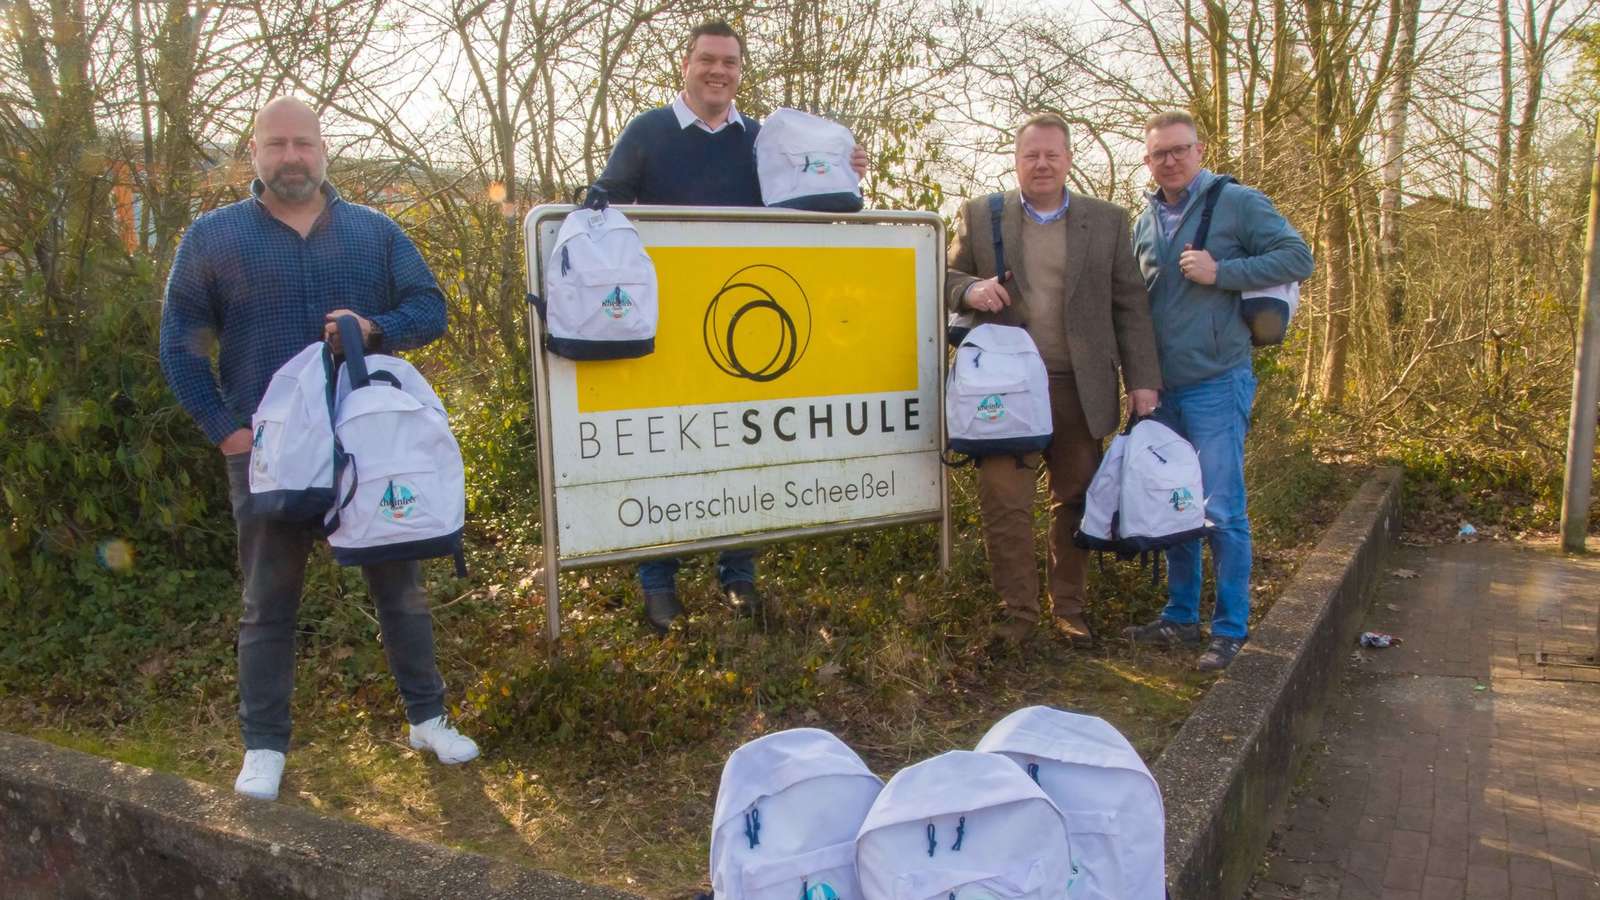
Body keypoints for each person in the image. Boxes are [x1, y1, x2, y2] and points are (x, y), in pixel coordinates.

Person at [159, 97, 478, 802]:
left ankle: (427, 719)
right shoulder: (214, 237)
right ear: (253, 153)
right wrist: (225, 431)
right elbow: (179, 344)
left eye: (303, 143)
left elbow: (430, 309)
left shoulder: (374, 232)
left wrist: (376, 326)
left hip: (371, 449)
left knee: (401, 593)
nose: (291, 157)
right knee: (267, 603)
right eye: (276, 145)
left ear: (323, 150)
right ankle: (264, 746)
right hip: (269, 456)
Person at [593, 19, 868, 634]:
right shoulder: (647, 131)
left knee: (745, 445)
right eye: (708, 60)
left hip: (748, 319)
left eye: (730, 63)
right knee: (665, 448)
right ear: (686, 65)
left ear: (741, 72)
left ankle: (738, 577)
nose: (718, 71)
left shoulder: (762, 139)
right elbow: (601, 205)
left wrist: (843, 170)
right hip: (668, 325)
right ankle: (658, 582)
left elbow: (806, 204)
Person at [946, 112, 1162, 649]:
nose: (1041, 164)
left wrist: (1143, 380)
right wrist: (969, 289)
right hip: (1002, 390)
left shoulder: (1107, 220)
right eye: (1031, 155)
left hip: (1078, 387)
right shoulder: (981, 216)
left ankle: (1068, 608)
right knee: (1004, 502)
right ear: (1016, 161)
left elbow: (1130, 305)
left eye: (1051, 155)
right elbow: (940, 275)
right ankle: (1018, 614)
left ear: (1068, 159)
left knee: (1076, 500)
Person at [1125, 110, 1314, 671]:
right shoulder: (1144, 221)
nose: (1170, 161)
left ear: (1200, 150)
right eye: (1159, 153)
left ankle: (1230, 629)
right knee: (1175, 503)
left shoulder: (1238, 202)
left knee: (1222, 509)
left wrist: (1222, 271)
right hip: (1162, 391)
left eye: (1180, 149)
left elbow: (1298, 257)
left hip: (1217, 380)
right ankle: (1180, 617)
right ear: (1147, 160)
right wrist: (1139, 380)